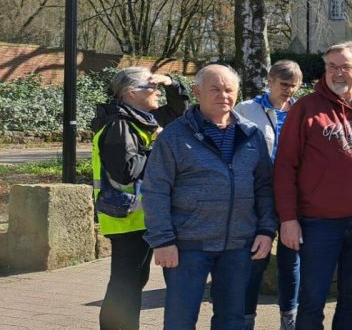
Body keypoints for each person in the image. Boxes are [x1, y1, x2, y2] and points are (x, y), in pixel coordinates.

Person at [274, 41, 352, 330]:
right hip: (318, 223)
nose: (337, 73)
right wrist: (288, 219)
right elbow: (284, 167)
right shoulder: (306, 109)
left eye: (345, 66)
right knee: (312, 298)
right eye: (332, 66)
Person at [141, 65, 278, 330]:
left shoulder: (251, 134)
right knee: (180, 320)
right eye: (215, 89)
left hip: (239, 245)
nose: (223, 95)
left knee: (232, 319)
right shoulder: (175, 135)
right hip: (186, 246)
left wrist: (265, 230)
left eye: (229, 90)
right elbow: (155, 189)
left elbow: (264, 186)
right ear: (197, 91)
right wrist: (162, 240)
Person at [91, 66, 188, 330]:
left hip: (139, 217)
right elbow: (126, 171)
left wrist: (171, 83)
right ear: (131, 93)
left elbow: (179, 110)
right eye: (151, 87)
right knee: (125, 286)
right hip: (127, 219)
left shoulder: (141, 119)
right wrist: (158, 145)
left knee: (131, 283)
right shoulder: (119, 124)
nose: (156, 91)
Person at [235, 60, 303, 329]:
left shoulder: (302, 111)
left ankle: (289, 319)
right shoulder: (247, 109)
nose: (288, 91)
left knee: (290, 262)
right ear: (270, 81)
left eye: (293, 86)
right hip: (257, 196)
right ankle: (246, 318)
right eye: (284, 84)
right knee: (255, 261)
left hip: (294, 196)